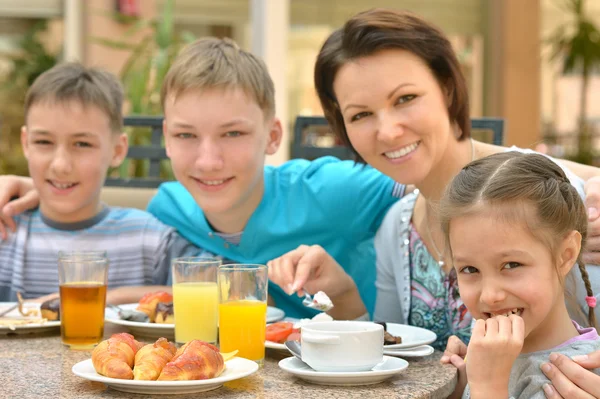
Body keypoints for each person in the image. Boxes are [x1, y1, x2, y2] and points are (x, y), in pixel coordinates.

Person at [0, 38, 405, 319]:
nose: (209, 161)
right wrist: (45, 188)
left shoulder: (335, 189)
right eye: (186, 135)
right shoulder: (170, 207)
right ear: (167, 141)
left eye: (233, 133)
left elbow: (442, 184)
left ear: (273, 136)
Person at [267, 8, 600, 348]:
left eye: (405, 98)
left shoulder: (544, 196)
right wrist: (343, 295)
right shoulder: (396, 228)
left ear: (448, 89)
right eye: (361, 114)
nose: (388, 131)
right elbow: (396, 357)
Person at [0, 62, 205, 304]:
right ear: (26, 143)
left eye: (82, 144)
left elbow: (214, 289)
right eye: (43, 142)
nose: (60, 165)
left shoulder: (148, 239)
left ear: (118, 150)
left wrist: (106, 298)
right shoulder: (7, 234)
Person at [439, 151, 600, 398]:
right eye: (470, 269)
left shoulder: (573, 377)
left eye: (511, 265)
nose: (491, 295)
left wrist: (488, 386)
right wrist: (462, 384)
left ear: (566, 254)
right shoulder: (489, 357)